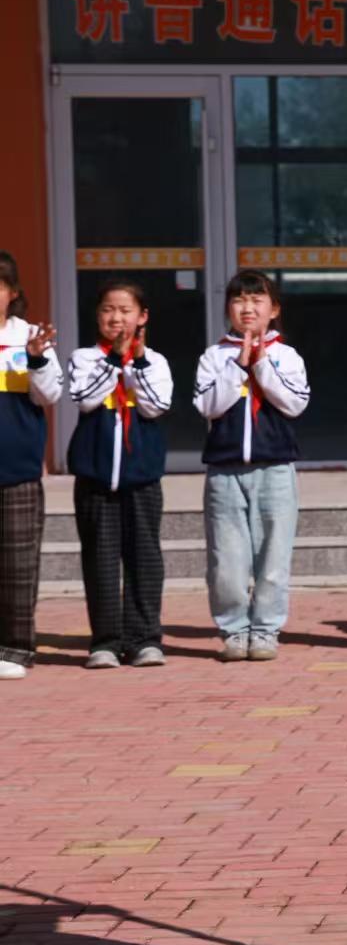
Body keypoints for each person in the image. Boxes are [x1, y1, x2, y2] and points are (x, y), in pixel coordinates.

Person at [194, 270, 310, 664]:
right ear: (228, 308)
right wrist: (238, 366)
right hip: (225, 472)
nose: (247, 308)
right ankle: (234, 629)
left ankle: (264, 631)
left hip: (276, 469)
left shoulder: (286, 355)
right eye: (239, 300)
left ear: (273, 309)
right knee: (226, 560)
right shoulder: (214, 356)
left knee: (274, 557)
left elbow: (294, 403)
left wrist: (260, 366)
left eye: (257, 301)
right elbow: (207, 406)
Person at [66, 280, 172, 670]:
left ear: (142, 317)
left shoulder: (156, 362)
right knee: (100, 558)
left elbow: (157, 405)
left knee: (144, 558)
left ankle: (145, 639)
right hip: (94, 476)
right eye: (108, 309)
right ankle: (106, 642)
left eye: (126, 310)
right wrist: (114, 361)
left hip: (141, 475)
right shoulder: (83, 357)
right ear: (97, 315)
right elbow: (84, 398)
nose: (116, 318)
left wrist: (137, 363)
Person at [0, 252, 63, 681]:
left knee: (18, 565)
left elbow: (50, 395)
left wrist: (37, 358)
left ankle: (16, 649)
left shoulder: (29, 336)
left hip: (17, 467)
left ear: (13, 293)